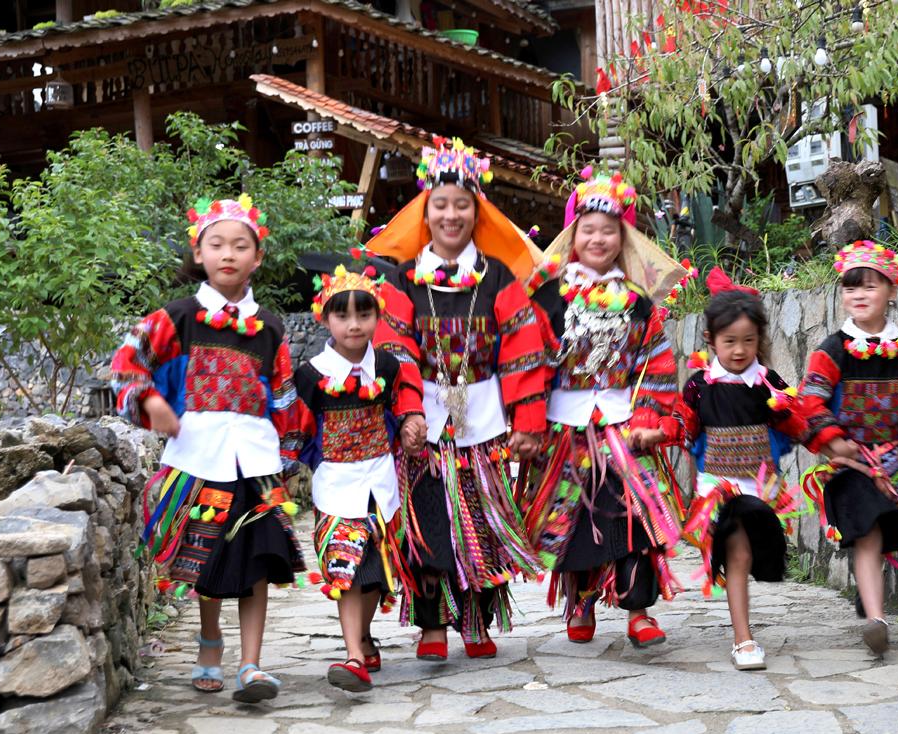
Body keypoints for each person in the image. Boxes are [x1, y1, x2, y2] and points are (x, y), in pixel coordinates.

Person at [111, 195, 304, 703]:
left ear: (256, 258)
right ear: (198, 253)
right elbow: (128, 363)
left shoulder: (272, 327)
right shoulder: (177, 317)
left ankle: (252, 665)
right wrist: (151, 402)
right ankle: (210, 644)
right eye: (216, 244)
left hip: (257, 462)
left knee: (259, 557)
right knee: (209, 559)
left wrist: (288, 455)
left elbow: (284, 397)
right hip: (199, 459)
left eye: (241, 246)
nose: (228, 254)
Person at [366, 137, 547, 661]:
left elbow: (522, 350)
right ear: (426, 210)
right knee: (428, 519)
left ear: (477, 210)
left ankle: (477, 621)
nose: (451, 215)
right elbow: (394, 347)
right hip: (422, 422)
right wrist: (409, 412)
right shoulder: (401, 281)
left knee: (484, 523)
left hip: (483, 421)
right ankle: (431, 627)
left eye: (462, 205)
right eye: (440, 205)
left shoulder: (499, 280)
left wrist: (528, 421)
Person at [523, 167, 685, 648]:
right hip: (563, 431)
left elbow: (655, 362)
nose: (597, 238)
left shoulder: (637, 302)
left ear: (623, 236)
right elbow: (529, 363)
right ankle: (581, 602)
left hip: (622, 427)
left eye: (608, 230)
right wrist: (527, 423)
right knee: (570, 522)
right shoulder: (549, 297)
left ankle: (637, 611)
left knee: (631, 517)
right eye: (587, 229)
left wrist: (649, 418)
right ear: (572, 235)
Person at [797, 240, 898, 655]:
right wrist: (833, 438)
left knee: (880, 532)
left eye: (869, 286)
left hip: (894, 462)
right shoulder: (832, 350)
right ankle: (877, 619)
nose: (859, 295)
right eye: (850, 288)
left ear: (892, 290)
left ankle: (870, 601)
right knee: (868, 533)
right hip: (851, 464)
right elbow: (809, 400)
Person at [293, 265, 426, 690]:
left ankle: (364, 634)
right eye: (343, 315)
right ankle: (353, 655)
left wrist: (409, 426)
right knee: (345, 569)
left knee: (375, 575)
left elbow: (399, 406)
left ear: (378, 316)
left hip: (381, 486)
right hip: (335, 486)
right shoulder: (312, 375)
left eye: (364, 314)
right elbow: (299, 428)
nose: (354, 324)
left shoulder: (386, 365)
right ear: (325, 318)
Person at [667, 272, 805, 669]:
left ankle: (743, 631)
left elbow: (795, 422)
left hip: (760, 487)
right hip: (719, 490)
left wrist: (828, 440)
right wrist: (652, 433)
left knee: (754, 553)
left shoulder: (768, 383)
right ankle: (743, 639)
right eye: (729, 341)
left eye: (748, 340)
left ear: (760, 339)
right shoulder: (700, 386)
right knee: (738, 554)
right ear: (711, 340)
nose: (740, 350)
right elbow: (683, 425)